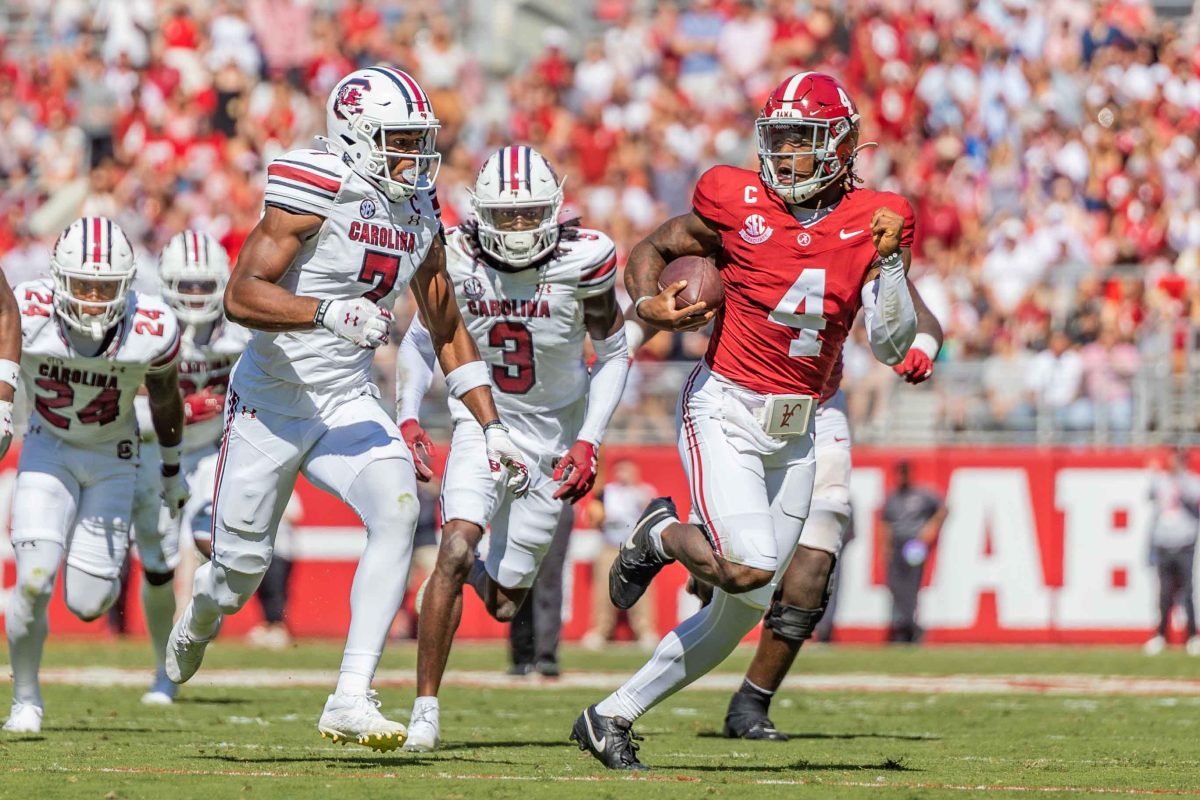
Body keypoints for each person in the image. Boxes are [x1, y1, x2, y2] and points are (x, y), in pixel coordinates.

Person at [163, 68, 532, 753]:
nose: (415, 157)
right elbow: (242, 295)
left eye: (420, 141)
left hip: (345, 398)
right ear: (356, 137)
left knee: (396, 510)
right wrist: (325, 311)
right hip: (272, 402)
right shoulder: (318, 184)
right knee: (237, 573)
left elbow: (447, 324)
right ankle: (202, 612)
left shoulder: (418, 207)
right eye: (399, 141)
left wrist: (493, 425)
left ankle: (351, 696)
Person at [571, 72, 919, 770]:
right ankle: (662, 532)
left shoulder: (878, 216)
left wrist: (895, 264)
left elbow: (890, 343)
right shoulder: (735, 198)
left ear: (843, 145)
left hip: (800, 426)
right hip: (724, 405)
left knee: (747, 602)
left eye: (804, 140)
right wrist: (646, 306)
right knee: (753, 564)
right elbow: (654, 248)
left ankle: (610, 717)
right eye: (779, 139)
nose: (787, 156)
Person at [394, 145, 629, 752]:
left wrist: (587, 439)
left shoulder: (587, 258)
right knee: (454, 545)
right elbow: (424, 340)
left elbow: (614, 352)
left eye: (530, 215)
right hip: (481, 421)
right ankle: (424, 710)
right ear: (480, 214)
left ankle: (465, 572)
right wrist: (408, 416)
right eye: (506, 215)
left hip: (551, 439)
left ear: (553, 210)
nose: (519, 227)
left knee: (502, 603)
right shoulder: (455, 254)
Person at [719, 301, 943, 740]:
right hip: (738, 400)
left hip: (818, 407)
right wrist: (646, 316)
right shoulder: (744, 229)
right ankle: (667, 537)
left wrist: (923, 345)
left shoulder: (858, 234)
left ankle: (753, 701)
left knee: (818, 556)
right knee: (728, 564)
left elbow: (922, 314)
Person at [5, 216, 185, 734]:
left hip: (115, 457)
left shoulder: (151, 327)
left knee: (87, 604)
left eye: (104, 287)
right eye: (82, 284)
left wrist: (171, 470)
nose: (91, 298)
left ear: (126, 286)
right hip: (48, 447)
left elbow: (168, 397)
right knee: (35, 580)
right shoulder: (29, 310)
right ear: (58, 279)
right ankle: (26, 700)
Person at [131, 229, 248, 705]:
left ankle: (201, 614)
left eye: (204, 286)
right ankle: (164, 669)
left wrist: (219, 407)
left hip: (216, 449)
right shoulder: (145, 328)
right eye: (187, 285)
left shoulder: (242, 329)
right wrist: (183, 408)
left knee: (211, 539)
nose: (196, 295)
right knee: (157, 567)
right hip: (156, 450)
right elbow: (119, 406)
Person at [582, 458, 660, 651]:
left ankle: (645, 630)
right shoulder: (607, 492)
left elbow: (650, 516)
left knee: (640, 589)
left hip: (635, 547)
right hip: (610, 544)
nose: (623, 475)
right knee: (604, 590)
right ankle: (601, 630)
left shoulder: (643, 492)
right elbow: (592, 516)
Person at [881, 460, 946, 643]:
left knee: (910, 585)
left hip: (914, 544)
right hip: (896, 543)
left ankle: (909, 626)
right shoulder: (892, 497)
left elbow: (942, 509)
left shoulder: (922, 494)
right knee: (895, 586)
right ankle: (905, 624)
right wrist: (885, 547)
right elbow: (885, 523)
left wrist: (930, 530)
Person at [1143, 448, 1200, 656]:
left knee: (1187, 591)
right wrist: (1152, 473)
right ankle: (1161, 635)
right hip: (1163, 543)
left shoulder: (1191, 480)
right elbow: (1148, 495)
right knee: (1164, 592)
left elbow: (1194, 497)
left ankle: (1192, 635)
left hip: (1185, 543)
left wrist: (1180, 480)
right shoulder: (1161, 480)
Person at [508, 505, 574, 677]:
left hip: (556, 499)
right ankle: (522, 653)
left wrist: (598, 498)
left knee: (549, 577)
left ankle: (546, 655)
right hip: (521, 500)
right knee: (519, 575)